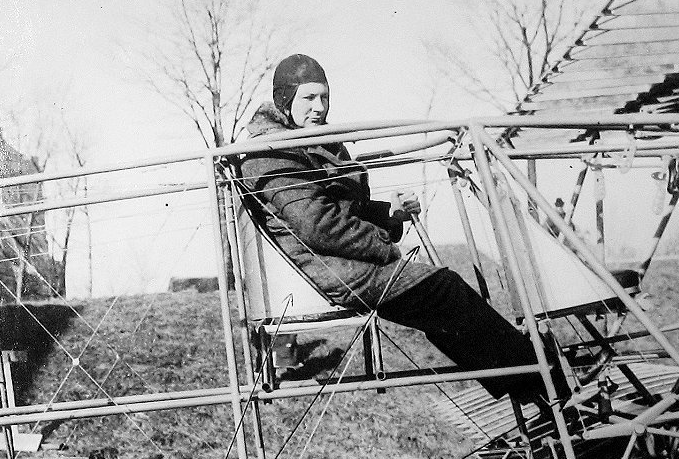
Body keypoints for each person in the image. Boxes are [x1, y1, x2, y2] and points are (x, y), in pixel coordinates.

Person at [238, 53, 563, 403]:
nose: (319, 107)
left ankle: (529, 379)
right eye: (308, 98)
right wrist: (386, 245)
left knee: (440, 299)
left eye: (324, 97)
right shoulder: (273, 153)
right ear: (285, 99)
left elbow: (339, 209)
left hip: (341, 263)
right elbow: (319, 226)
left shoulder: (303, 143)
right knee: (443, 290)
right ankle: (538, 381)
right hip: (329, 271)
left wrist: (390, 215)